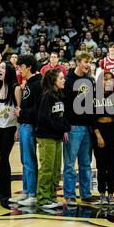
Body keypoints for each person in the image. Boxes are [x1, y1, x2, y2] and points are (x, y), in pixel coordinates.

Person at [63, 52, 98, 205]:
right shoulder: (68, 80)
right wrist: (64, 127)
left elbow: (91, 106)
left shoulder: (90, 80)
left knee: (86, 163)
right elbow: (64, 106)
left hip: (87, 128)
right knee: (70, 164)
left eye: (89, 62)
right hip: (72, 127)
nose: (88, 65)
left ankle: (86, 193)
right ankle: (70, 194)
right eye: (85, 61)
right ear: (78, 62)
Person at [35, 68, 71, 209]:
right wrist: (62, 128)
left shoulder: (59, 95)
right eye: (61, 78)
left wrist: (65, 128)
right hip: (46, 137)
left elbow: (61, 117)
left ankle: (51, 196)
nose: (64, 80)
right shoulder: (46, 97)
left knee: (56, 169)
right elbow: (44, 119)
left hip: (56, 137)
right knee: (47, 168)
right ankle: (42, 199)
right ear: (53, 81)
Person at [10, 55, 42, 206]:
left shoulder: (37, 84)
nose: (19, 69)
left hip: (30, 126)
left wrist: (22, 113)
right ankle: (25, 190)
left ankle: (32, 193)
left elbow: (37, 109)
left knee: (29, 160)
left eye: (20, 66)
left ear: (28, 67)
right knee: (24, 160)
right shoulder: (29, 83)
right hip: (24, 125)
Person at [0, 61, 21, 202]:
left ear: (9, 71)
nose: (0, 70)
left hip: (10, 126)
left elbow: (19, 110)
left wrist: (18, 130)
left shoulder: (16, 88)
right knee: (2, 157)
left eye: (3, 68)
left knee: (4, 157)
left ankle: (4, 192)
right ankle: (1, 191)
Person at [92, 71, 114, 205]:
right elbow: (92, 118)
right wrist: (98, 135)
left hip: (113, 131)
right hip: (99, 131)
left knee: (113, 165)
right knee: (101, 164)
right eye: (105, 79)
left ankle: (111, 193)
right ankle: (101, 193)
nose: (108, 82)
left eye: (110, 79)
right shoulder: (94, 96)